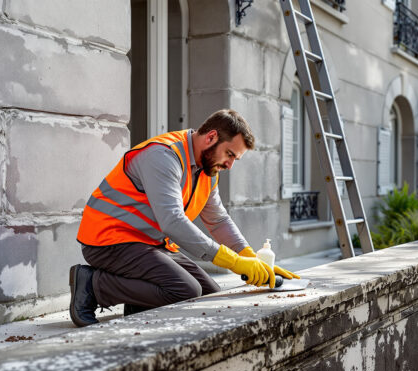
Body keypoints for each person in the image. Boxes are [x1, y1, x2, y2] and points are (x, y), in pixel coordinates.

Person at [68, 109, 299, 327]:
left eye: (235, 159)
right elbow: (172, 220)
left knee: (209, 296)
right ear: (211, 137)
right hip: (109, 240)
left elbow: (218, 220)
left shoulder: (208, 170)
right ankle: (93, 285)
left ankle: (139, 303)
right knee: (186, 291)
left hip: (148, 243)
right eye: (229, 154)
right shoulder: (163, 155)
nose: (229, 165)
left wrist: (251, 258)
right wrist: (234, 262)